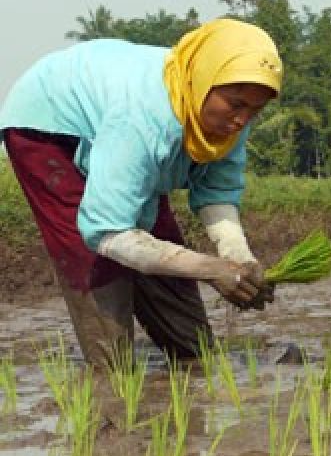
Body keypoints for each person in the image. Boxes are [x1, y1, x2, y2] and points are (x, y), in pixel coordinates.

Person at [0, 18, 281, 368]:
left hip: (121, 131)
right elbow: (108, 231)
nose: (242, 120)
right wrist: (211, 268)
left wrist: (239, 258)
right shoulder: (143, 118)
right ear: (203, 80)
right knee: (91, 249)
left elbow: (216, 192)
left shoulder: (228, 125)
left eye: (255, 109)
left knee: (157, 236)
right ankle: (111, 371)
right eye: (236, 104)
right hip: (51, 125)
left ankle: (192, 354)